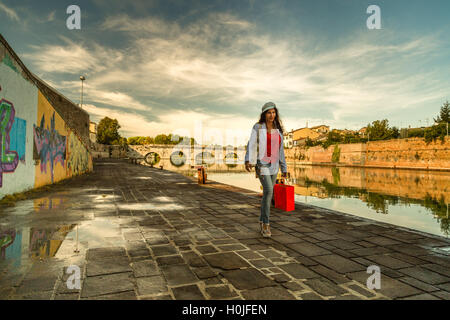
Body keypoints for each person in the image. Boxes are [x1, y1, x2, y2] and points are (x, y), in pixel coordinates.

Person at [245, 102, 288, 238]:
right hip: (262, 164)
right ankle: (266, 224)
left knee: (268, 195)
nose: (272, 115)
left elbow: (280, 150)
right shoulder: (257, 127)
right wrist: (248, 160)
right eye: (269, 112)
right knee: (269, 190)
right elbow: (251, 144)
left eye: (274, 112)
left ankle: (262, 219)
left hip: (274, 165)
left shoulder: (278, 130)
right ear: (264, 114)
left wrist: (284, 167)